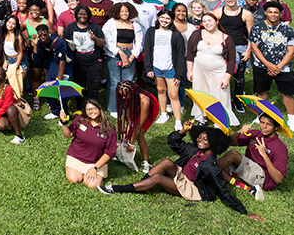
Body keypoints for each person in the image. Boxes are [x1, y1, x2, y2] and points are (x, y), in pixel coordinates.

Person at [99, 124, 262, 220]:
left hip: (193, 189)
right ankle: (142, 184)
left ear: (213, 144)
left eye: (205, 139)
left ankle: (117, 188)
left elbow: (223, 191)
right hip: (181, 175)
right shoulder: (193, 150)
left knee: (157, 178)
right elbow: (172, 142)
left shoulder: (211, 165)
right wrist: (184, 130)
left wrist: (244, 213)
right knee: (166, 162)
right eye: (199, 137)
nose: (200, 140)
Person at [247, 1, 294, 130]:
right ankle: (261, 115)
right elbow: (255, 48)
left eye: (276, 12)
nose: (273, 15)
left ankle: (292, 119)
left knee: (287, 93)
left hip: (283, 68)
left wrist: (278, 67)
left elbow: (291, 51)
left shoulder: (288, 29)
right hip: (262, 66)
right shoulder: (257, 27)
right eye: (270, 12)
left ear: (280, 14)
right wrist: (268, 65)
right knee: (261, 92)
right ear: (266, 13)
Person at [218, 114, 288, 199]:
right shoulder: (255, 134)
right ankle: (247, 188)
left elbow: (278, 179)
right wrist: (240, 131)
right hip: (248, 167)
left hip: (263, 178)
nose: (264, 126)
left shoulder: (280, 148)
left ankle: (205, 169)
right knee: (219, 169)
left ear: (276, 127)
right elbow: (231, 142)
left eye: (269, 124)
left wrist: (264, 155)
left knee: (232, 155)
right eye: (262, 122)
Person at [187, 12, 239, 127]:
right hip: (199, 70)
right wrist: (189, 70)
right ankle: (202, 118)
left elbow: (231, 60)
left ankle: (218, 121)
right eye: (204, 21)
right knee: (201, 93)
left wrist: (227, 77)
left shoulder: (226, 38)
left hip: (219, 72)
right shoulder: (197, 34)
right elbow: (190, 54)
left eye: (209, 20)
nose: (207, 23)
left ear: (216, 21)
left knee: (220, 95)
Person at [143, 8, 186, 129]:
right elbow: (147, 50)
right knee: (161, 90)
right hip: (157, 67)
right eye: (162, 18)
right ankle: (163, 113)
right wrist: (148, 68)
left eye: (168, 18)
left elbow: (180, 56)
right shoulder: (151, 31)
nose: (164, 20)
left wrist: (178, 74)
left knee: (173, 95)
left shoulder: (176, 35)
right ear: (158, 18)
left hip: (170, 68)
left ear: (172, 20)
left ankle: (178, 121)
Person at [61, 98, 116, 189]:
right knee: (73, 179)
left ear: (99, 109)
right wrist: (64, 123)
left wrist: (95, 168)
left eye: (94, 108)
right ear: (85, 111)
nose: (91, 111)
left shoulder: (109, 129)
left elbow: (109, 153)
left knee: (93, 185)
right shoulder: (80, 120)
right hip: (76, 157)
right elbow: (68, 134)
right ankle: (82, 173)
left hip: (96, 162)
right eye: (88, 109)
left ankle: (90, 174)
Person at [114, 80, 160, 173]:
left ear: (132, 92)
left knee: (140, 135)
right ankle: (122, 153)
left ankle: (147, 162)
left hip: (150, 109)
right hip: (135, 105)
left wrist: (131, 143)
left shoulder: (145, 101)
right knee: (129, 129)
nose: (123, 97)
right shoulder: (126, 98)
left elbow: (139, 125)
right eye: (121, 95)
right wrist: (128, 127)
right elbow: (130, 120)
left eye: (125, 95)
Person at [0, 65, 27, 143]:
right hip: (1, 113)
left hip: (12, 110)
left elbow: (6, 106)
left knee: (10, 109)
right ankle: (11, 124)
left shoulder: (7, 89)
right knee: (2, 126)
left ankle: (19, 136)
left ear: (3, 77)